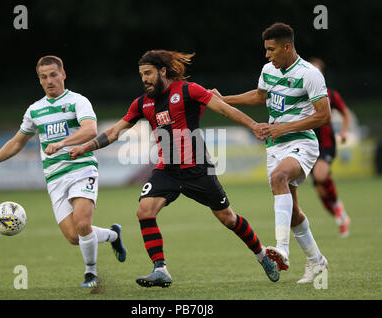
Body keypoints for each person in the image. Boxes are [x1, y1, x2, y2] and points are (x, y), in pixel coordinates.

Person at [70, 49, 280, 287]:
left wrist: (253, 125)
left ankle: (261, 255)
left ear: (162, 71)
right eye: (141, 75)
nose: (145, 79)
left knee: (229, 218)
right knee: (144, 211)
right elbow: (115, 132)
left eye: (148, 73)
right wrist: (86, 147)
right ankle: (160, 269)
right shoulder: (142, 103)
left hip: (198, 169)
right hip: (167, 170)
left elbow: (223, 108)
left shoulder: (188, 90)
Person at [0, 55, 127, 288]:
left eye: (53, 75)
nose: (49, 80)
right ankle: (113, 235)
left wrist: (62, 143)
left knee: (83, 224)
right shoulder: (35, 110)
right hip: (55, 177)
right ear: (39, 80)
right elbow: (17, 142)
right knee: (74, 237)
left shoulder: (77, 101)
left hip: (81, 168)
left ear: (63, 74)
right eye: (44, 77)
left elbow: (91, 130)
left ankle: (90, 274)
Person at [210, 23, 330, 284]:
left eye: (271, 49)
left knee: (279, 178)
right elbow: (260, 96)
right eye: (266, 50)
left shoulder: (310, 74)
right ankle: (317, 262)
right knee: (294, 213)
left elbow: (324, 115)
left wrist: (283, 127)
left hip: (302, 142)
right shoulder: (269, 70)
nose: (267, 55)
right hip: (275, 145)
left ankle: (282, 249)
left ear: (287, 47)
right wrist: (223, 100)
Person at [308, 57, 351, 237]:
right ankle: (339, 215)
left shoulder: (331, 95)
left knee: (320, 175)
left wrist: (343, 132)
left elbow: (345, 113)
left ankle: (338, 208)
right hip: (308, 144)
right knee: (320, 189)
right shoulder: (302, 94)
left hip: (326, 144)